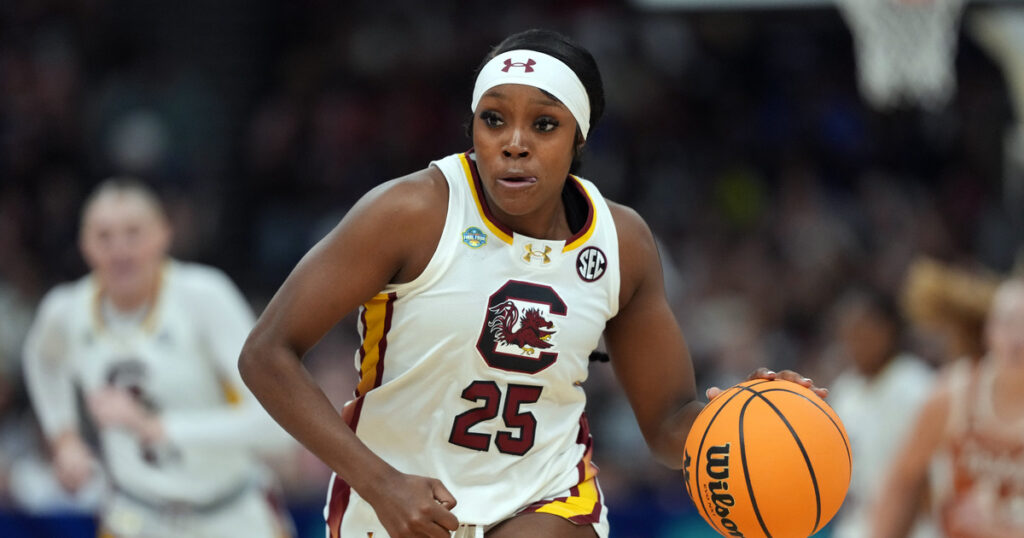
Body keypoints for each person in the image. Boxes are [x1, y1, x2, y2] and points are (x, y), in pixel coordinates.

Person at [238, 29, 823, 538]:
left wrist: (742, 419)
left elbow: (669, 425)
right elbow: (266, 354)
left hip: (544, 494)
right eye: (494, 119)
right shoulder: (410, 211)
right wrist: (381, 483)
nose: (514, 142)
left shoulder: (623, 242)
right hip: (394, 500)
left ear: (580, 139)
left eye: (544, 124)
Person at [22, 179, 295, 538]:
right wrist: (64, 438)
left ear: (164, 234)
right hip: (135, 515)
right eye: (104, 236)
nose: (119, 249)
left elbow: (278, 427)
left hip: (231, 513)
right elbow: (41, 360)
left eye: (133, 233)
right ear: (84, 244)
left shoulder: (204, 296)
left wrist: (160, 428)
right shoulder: (65, 311)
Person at [870, 276, 1024, 537]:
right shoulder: (953, 394)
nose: (1018, 337)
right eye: (1009, 322)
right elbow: (901, 480)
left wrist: (1000, 529)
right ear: (990, 330)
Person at [825, 288, 937, 538]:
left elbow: (927, 479)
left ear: (889, 329)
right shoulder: (845, 391)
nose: (854, 342)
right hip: (858, 523)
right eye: (848, 334)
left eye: (862, 331)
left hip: (913, 528)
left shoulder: (918, 387)